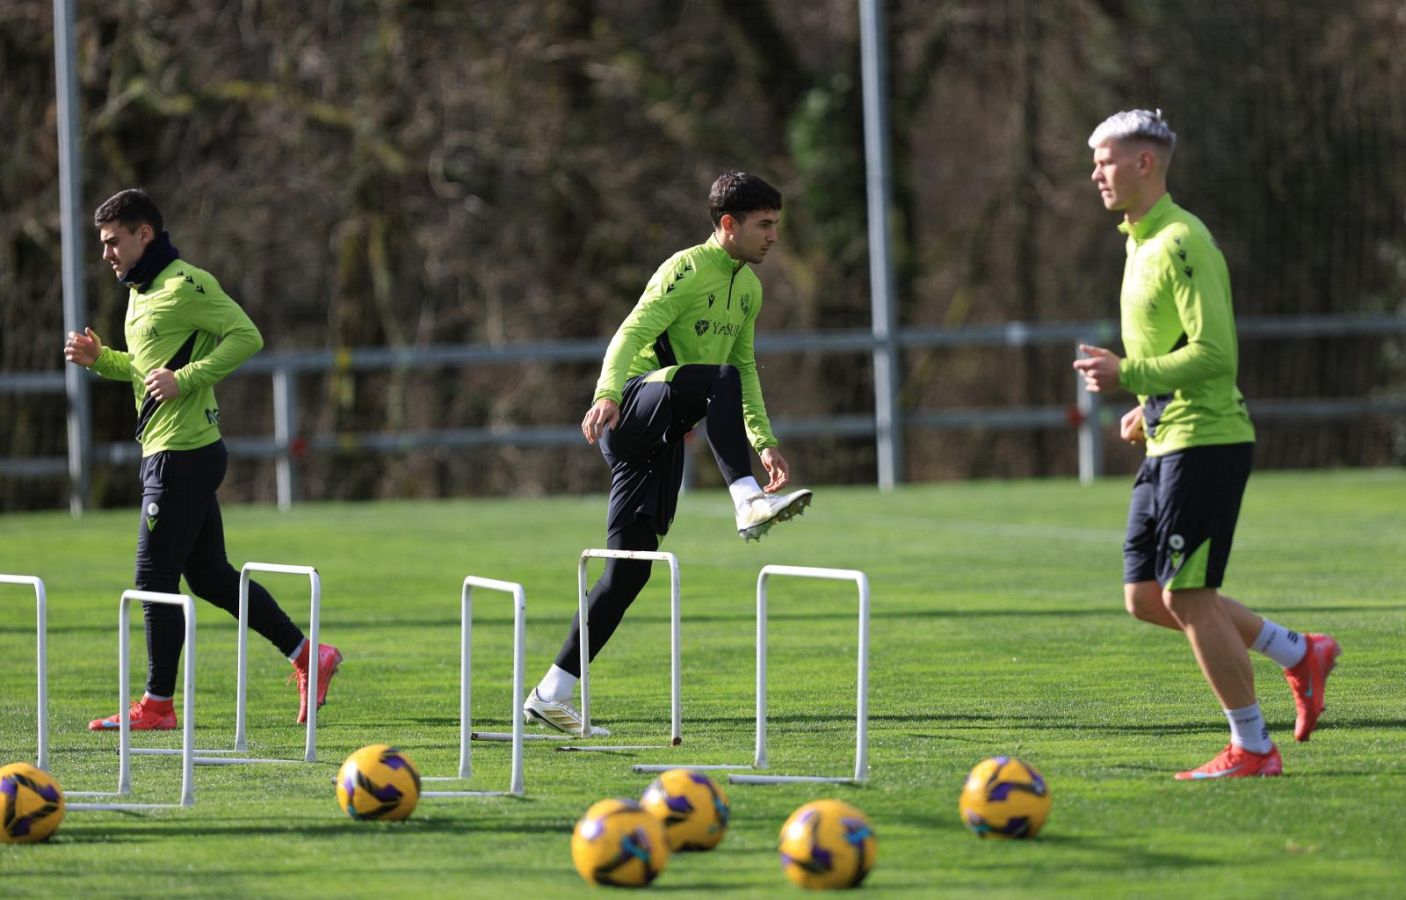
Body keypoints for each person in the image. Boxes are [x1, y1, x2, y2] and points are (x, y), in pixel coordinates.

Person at [1075, 110, 1340, 779]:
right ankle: (1297, 652)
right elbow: (1176, 351)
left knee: (1188, 596)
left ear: (1145, 164)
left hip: (1207, 441)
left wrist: (1128, 374)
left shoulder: (1182, 239)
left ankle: (1253, 747)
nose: (1095, 174)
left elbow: (1216, 354)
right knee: (1145, 596)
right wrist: (1144, 405)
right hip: (1167, 438)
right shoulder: (1138, 241)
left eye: (1106, 160)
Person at [522, 171, 813, 736]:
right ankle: (746, 501)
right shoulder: (685, 268)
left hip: (666, 423)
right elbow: (629, 333)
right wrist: (606, 394)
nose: (774, 236)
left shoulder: (749, 289)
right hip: (631, 408)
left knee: (627, 572)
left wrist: (764, 440)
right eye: (765, 225)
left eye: (776, 224)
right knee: (716, 379)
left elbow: (744, 370)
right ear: (728, 226)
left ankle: (550, 694)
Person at [64, 188, 341, 731]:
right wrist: (103, 361)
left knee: (152, 576)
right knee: (211, 578)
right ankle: (310, 655)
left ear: (145, 234)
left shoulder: (187, 283)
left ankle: (158, 706)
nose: (106, 254)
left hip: (182, 456)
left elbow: (247, 336)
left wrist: (187, 379)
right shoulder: (140, 290)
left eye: (113, 242)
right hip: (169, 453)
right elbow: (150, 371)